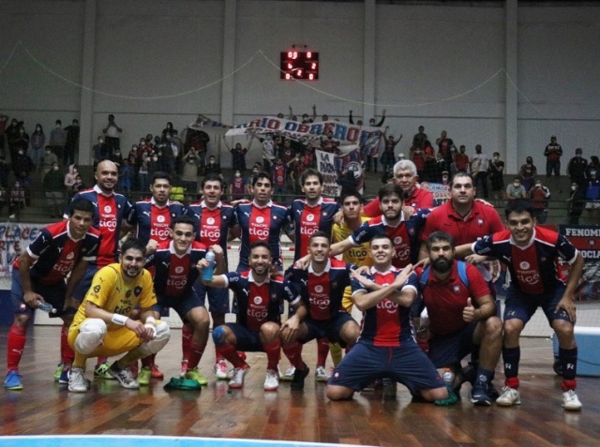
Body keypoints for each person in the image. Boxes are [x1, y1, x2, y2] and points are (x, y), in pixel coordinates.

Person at [456, 199, 585, 411]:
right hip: (521, 293)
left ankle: (569, 390)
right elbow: (466, 248)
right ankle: (511, 388)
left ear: (534, 221)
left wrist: (568, 296)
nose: (520, 227)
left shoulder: (552, 239)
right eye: (514, 223)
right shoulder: (499, 240)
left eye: (525, 222)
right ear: (507, 224)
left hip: (553, 292)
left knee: (564, 328)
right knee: (510, 327)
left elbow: (578, 260)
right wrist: (436, 254)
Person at [326, 235, 455, 405]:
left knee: (439, 395)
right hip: (369, 345)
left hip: (404, 346)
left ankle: (421, 384)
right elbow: (362, 303)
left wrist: (373, 287)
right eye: (376, 247)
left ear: (393, 251)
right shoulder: (360, 276)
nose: (381, 250)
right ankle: (367, 378)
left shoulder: (406, 275)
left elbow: (407, 300)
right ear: (370, 252)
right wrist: (394, 286)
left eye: (385, 247)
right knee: (334, 392)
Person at [3, 199, 101, 390]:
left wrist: (69, 296)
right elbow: (23, 260)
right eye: (78, 218)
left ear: (92, 221)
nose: (81, 223)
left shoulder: (94, 238)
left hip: (54, 282)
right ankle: (12, 373)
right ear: (70, 217)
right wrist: (29, 291)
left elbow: (80, 269)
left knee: (71, 318)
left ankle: (66, 369)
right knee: (22, 318)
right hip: (27, 276)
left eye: (86, 220)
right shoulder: (51, 233)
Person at [67, 238, 171, 393]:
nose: (133, 264)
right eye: (129, 258)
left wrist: (149, 324)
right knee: (97, 326)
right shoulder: (108, 273)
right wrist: (126, 320)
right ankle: (77, 370)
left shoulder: (145, 276)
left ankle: (120, 367)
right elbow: (90, 310)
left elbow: (147, 309)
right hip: (82, 335)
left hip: (115, 336)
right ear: (120, 258)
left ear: (144, 261)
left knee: (161, 329)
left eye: (138, 259)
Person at [203, 241, 300, 391]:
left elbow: (301, 308)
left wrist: (296, 318)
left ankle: (272, 371)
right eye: (255, 257)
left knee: (268, 328)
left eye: (264, 257)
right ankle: (240, 367)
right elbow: (208, 281)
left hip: (269, 336)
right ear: (249, 260)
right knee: (218, 333)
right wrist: (207, 266)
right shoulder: (238, 279)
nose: (260, 261)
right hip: (244, 334)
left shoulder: (281, 284)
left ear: (270, 260)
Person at [418, 232, 502, 406]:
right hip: (441, 338)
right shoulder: (420, 275)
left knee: (494, 324)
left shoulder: (467, 271)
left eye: (445, 249)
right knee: (444, 387)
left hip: (468, 333)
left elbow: (489, 305)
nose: (441, 253)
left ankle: (481, 383)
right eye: (435, 249)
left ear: (453, 251)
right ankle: (467, 373)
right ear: (428, 253)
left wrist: (476, 314)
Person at [68, 160, 133, 379]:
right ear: (96, 175)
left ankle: (102, 365)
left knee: (106, 315)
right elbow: (69, 227)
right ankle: (66, 364)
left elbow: (131, 223)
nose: (109, 177)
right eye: (104, 173)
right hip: (86, 264)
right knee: (73, 314)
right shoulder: (83, 197)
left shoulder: (122, 200)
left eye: (113, 174)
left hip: (112, 266)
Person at [144, 215, 222, 386]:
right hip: (159, 293)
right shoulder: (160, 250)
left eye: (188, 235)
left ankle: (191, 370)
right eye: (178, 233)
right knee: (150, 322)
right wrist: (145, 251)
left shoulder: (202, 252)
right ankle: (146, 367)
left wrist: (216, 261)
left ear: (194, 236)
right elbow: (134, 267)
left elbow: (216, 276)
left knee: (203, 321)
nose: (183, 238)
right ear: (170, 233)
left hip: (184, 294)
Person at [125, 171, 185, 378]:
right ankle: (133, 362)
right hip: (141, 273)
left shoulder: (178, 208)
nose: (161, 190)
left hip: (166, 274)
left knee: (154, 320)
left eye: (165, 187)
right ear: (151, 187)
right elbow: (127, 228)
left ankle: (149, 364)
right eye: (158, 186)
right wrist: (140, 250)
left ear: (170, 190)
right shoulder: (140, 207)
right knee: (138, 317)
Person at [282, 232, 360, 391]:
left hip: (335, 318)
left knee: (354, 333)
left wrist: (365, 269)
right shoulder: (298, 270)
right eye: (315, 245)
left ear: (329, 249)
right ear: (308, 249)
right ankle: (300, 368)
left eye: (324, 246)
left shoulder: (342, 268)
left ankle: (345, 372)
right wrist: (294, 316)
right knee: (285, 333)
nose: (319, 249)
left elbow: (362, 273)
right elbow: (283, 282)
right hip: (309, 319)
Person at [186, 174, 239, 379]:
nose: (211, 191)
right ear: (202, 190)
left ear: (222, 191)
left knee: (219, 316)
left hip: (218, 271)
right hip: (196, 270)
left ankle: (220, 362)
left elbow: (234, 232)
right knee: (192, 319)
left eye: (216, 188)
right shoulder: (192, 210)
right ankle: (186, 363)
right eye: (208, 187)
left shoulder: (228, 211)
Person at [234, 171, 288, 273]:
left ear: (272, 190)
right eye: (259, 185)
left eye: (267, 186)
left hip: (273, 265)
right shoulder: (241, 208)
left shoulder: (282, 211)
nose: (263, 188)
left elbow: (295, 236)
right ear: (251, 189)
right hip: (245, 264)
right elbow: (231, 233)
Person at [362, 159, 434, 218]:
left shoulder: (425, 195)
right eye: (400, 176)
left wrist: (413, 212)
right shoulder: (386, 197)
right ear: (394, 181)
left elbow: (425, 217)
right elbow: (362, 213)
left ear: (416, 179)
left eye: (408, 175)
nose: (404, 180)